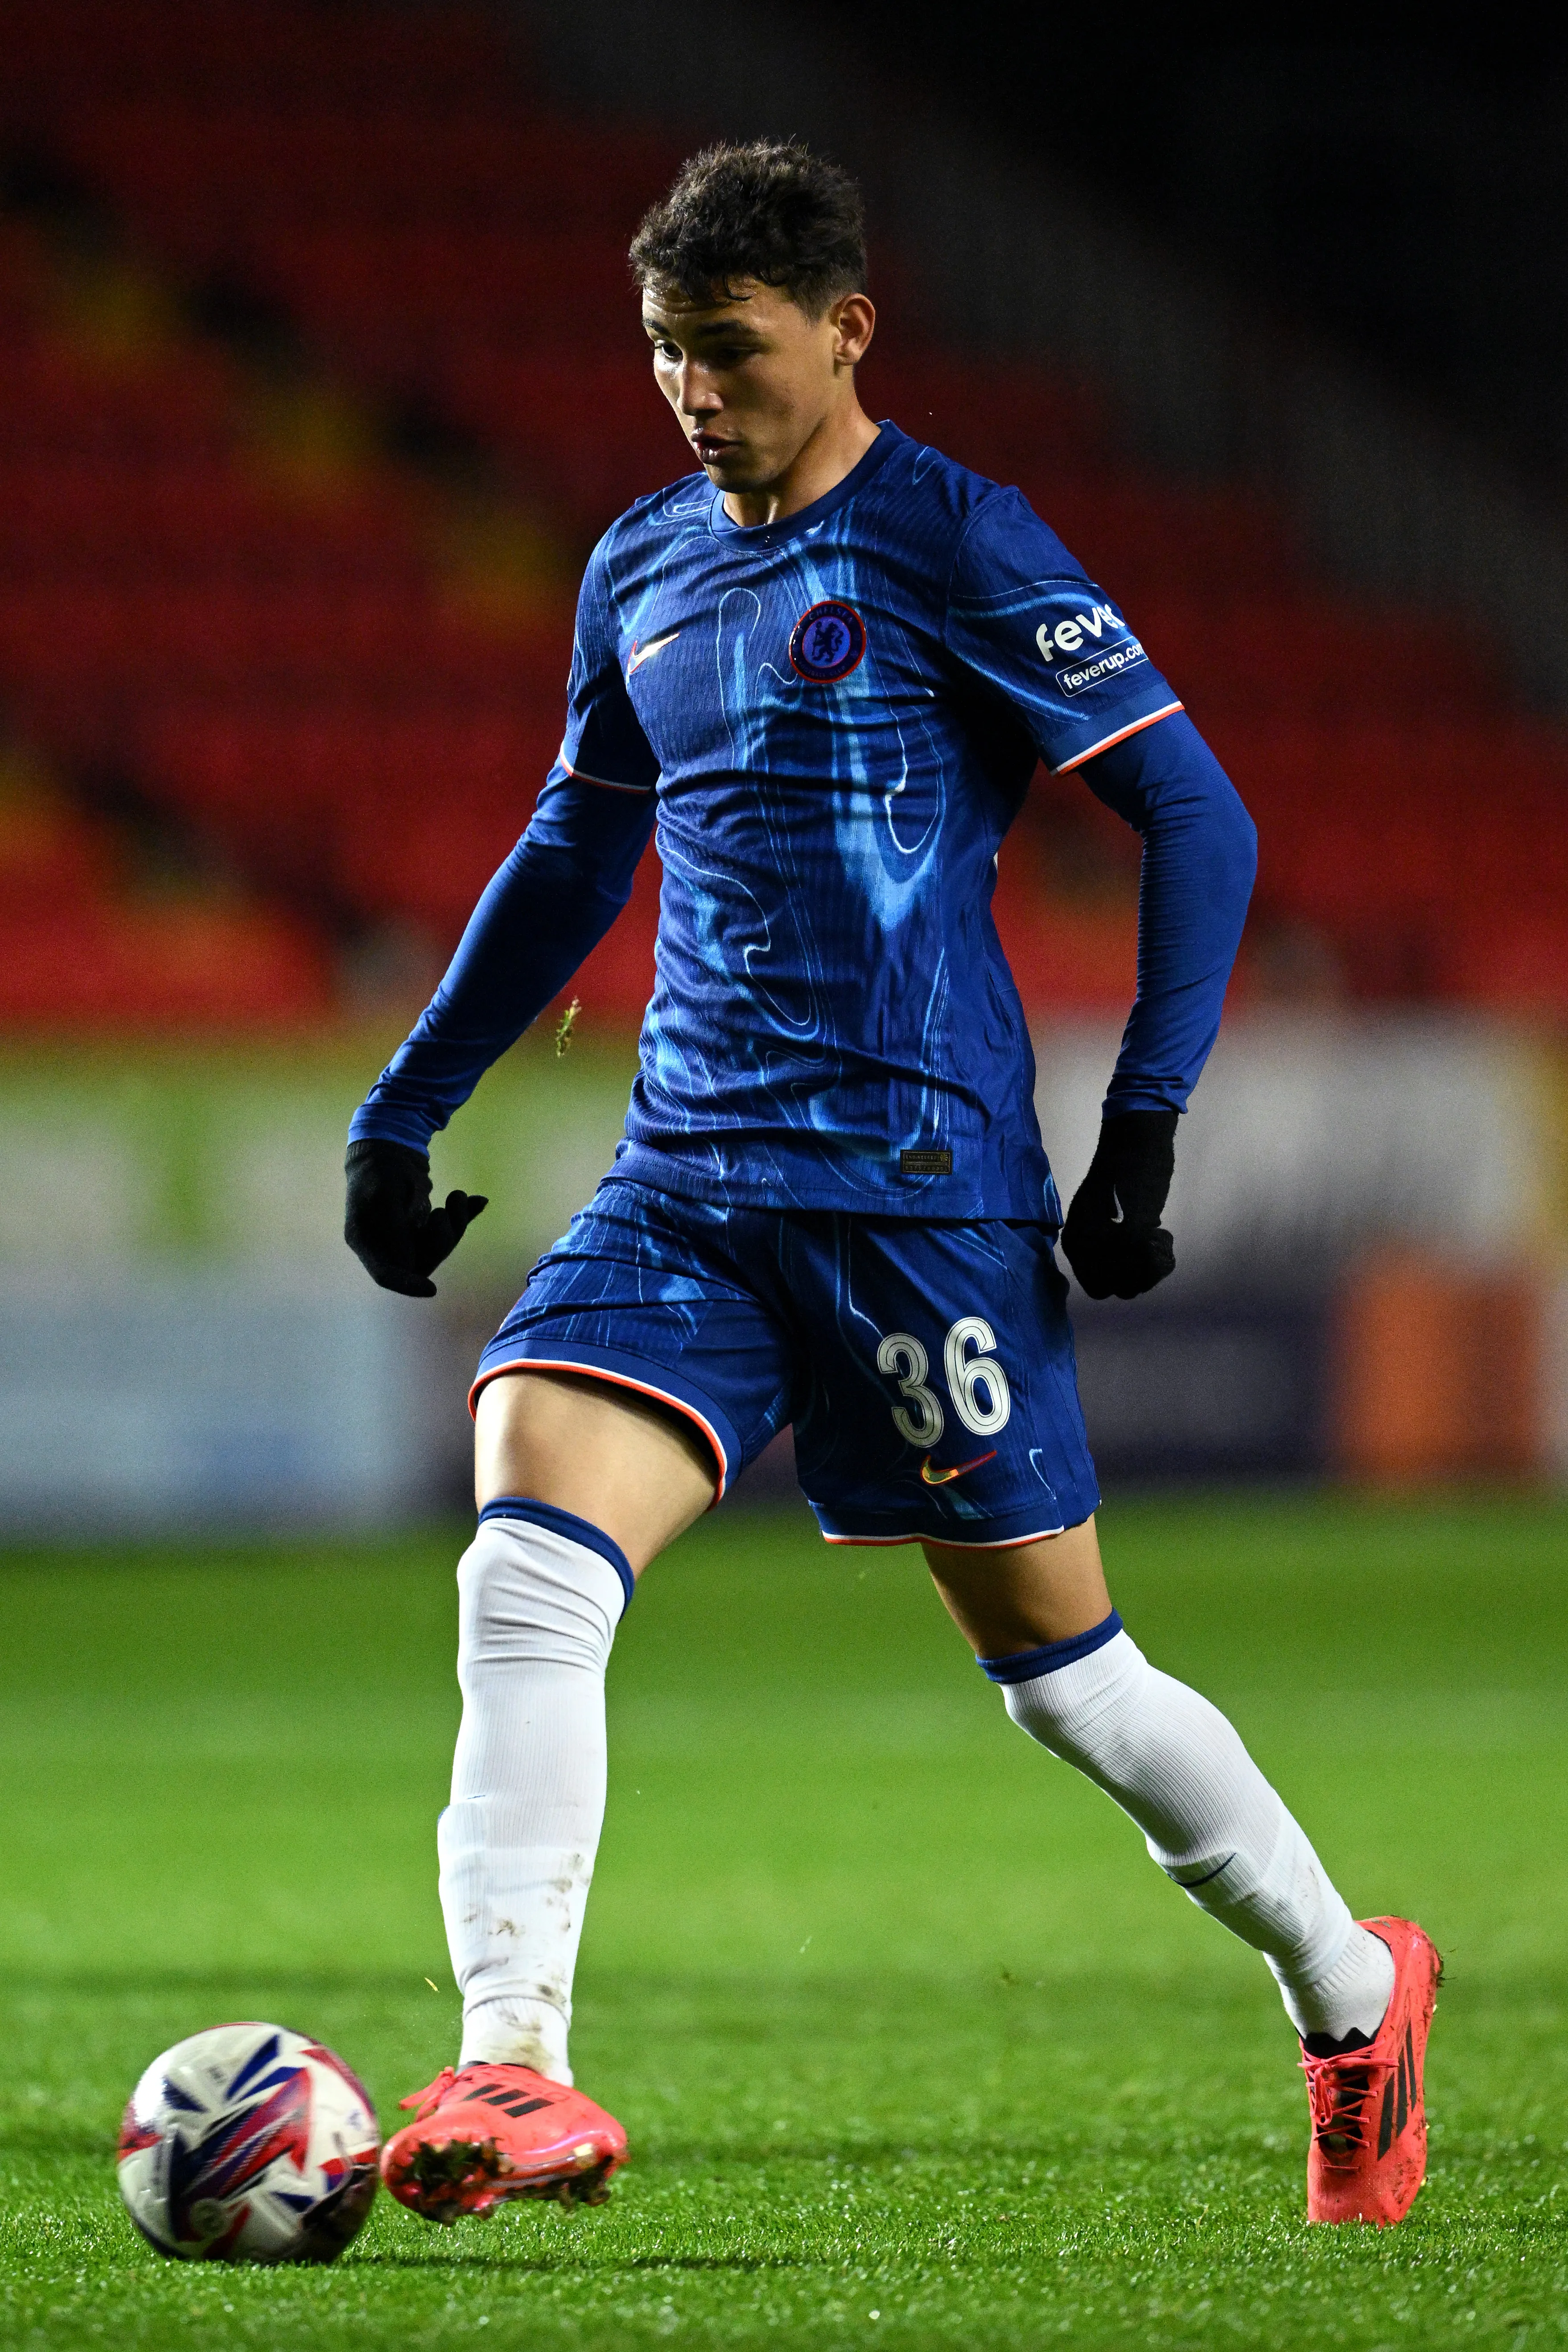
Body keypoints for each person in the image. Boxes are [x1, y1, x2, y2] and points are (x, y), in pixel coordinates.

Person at [343, 140, 1437, 2231]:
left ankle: (1345, 1979)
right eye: (664, 352)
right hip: (686, 1176)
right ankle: (512, 2063)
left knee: (1068, 1680)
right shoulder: (641, 564)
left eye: (729, 350)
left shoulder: (956, 538)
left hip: (915, 1192)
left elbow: (1194, 818)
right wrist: (412, 1103)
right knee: (525, 1565)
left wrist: (1144, 1125)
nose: (691, 391)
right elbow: (575, 848)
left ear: (847, 330)